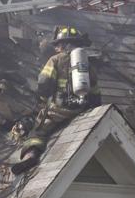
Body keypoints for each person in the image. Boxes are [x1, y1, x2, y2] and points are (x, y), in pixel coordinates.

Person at [13, 26, 101, 171]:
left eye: (58, 45)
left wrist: (41, 99)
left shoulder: (55, 60)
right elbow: (95, 91)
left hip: (59, 110)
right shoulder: (86, 65)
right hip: (81, 109)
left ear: (64, 44)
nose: (56, 48)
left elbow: (44, 82)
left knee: (38, 130)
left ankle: (31, 156)